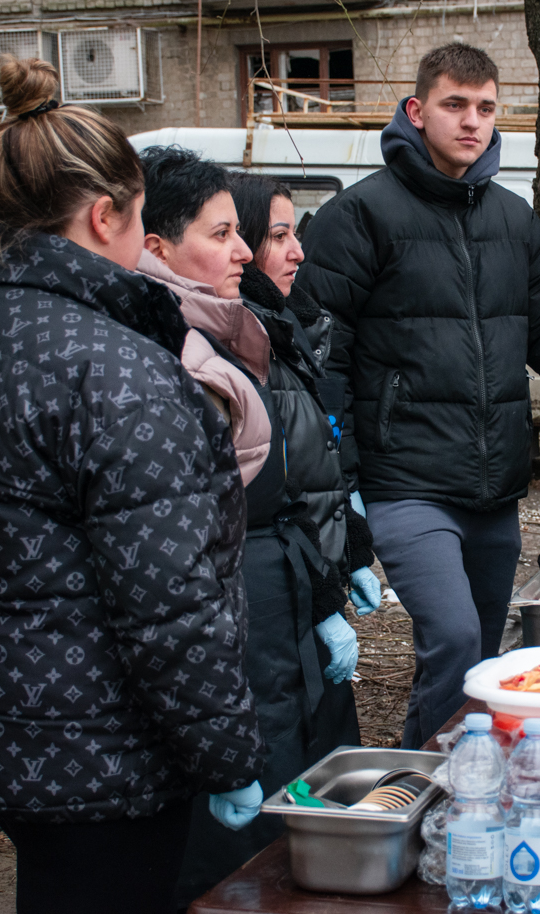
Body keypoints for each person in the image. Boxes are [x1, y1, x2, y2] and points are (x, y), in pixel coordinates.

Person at [0, 57, 263, 914]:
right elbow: (168, 603)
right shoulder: (118, 371)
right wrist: (227, 753)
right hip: (100, 747)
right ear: (105, 217)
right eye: (139, 223)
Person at [299, 42, 540, 748]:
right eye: (455, 105)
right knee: (453, 639)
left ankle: (442, 780)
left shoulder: (514, 219)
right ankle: (417, 791)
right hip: (405, 483)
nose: (472, 121)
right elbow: (321, 360)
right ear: (417, 111)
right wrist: (343, 480)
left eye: (486, 107)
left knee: (483, 656)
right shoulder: (360, 216)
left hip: (494, 488)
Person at [133, 148, 374, 907]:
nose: (251, 252)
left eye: (250, 234)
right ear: (155, 245)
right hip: (239, 607)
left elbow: (310, 464)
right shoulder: (177, 350)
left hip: (281, 593)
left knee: (288, 790)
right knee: (235, 845)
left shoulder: (242, 330)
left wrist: (334, 576)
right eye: (227, 233)